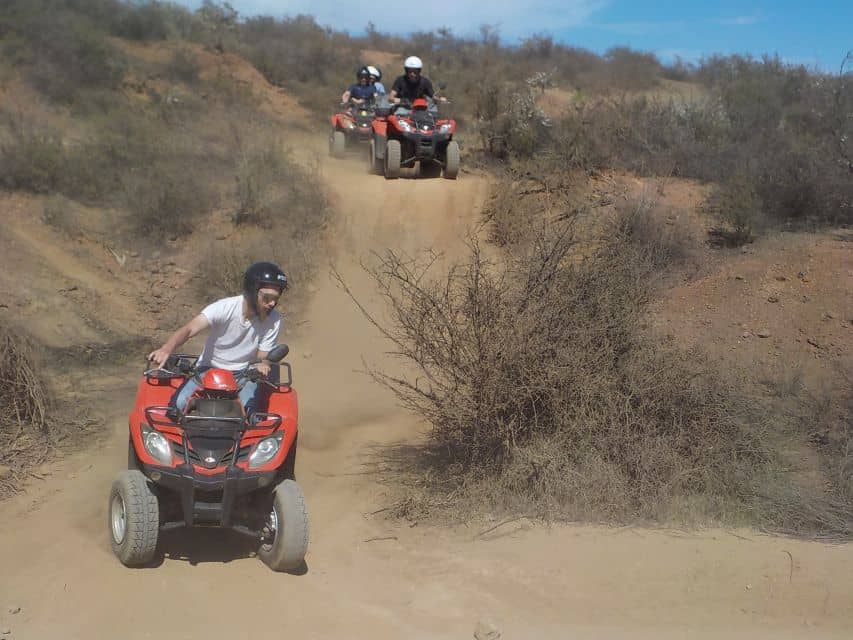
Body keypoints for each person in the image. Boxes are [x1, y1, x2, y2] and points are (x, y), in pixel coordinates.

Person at [147, 261, 288, 415]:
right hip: (207, 370)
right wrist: (167, 348)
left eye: (276, 298)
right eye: (267, 297)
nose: (272, 303)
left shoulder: (274, 319)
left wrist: (265, 363)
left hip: (244, 375)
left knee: (253, 414)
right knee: (176, 406)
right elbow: (190, 328)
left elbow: (263, 354)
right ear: (252, 291)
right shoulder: (225, 307)